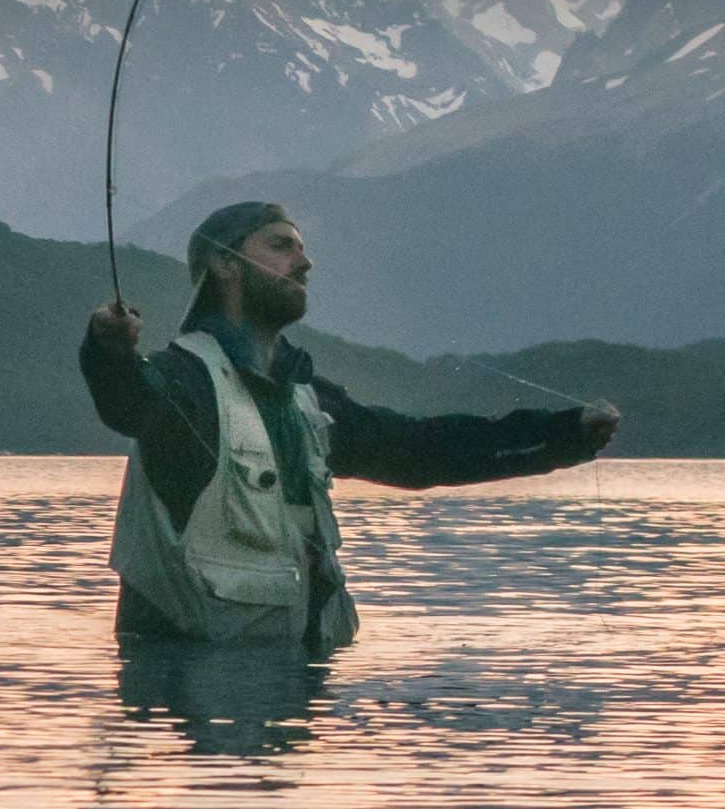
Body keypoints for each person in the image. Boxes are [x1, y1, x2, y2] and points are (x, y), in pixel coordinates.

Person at [80, 200, 619, 650]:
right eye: (280, 245)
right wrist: (107, 351)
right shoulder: (182, 383)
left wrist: (564, 435)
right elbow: (127, 402)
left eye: (302, 247)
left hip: (293, 709)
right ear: (226, 265)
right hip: (186, 712)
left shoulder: (307, 399)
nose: (305, 261)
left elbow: (418, 451)